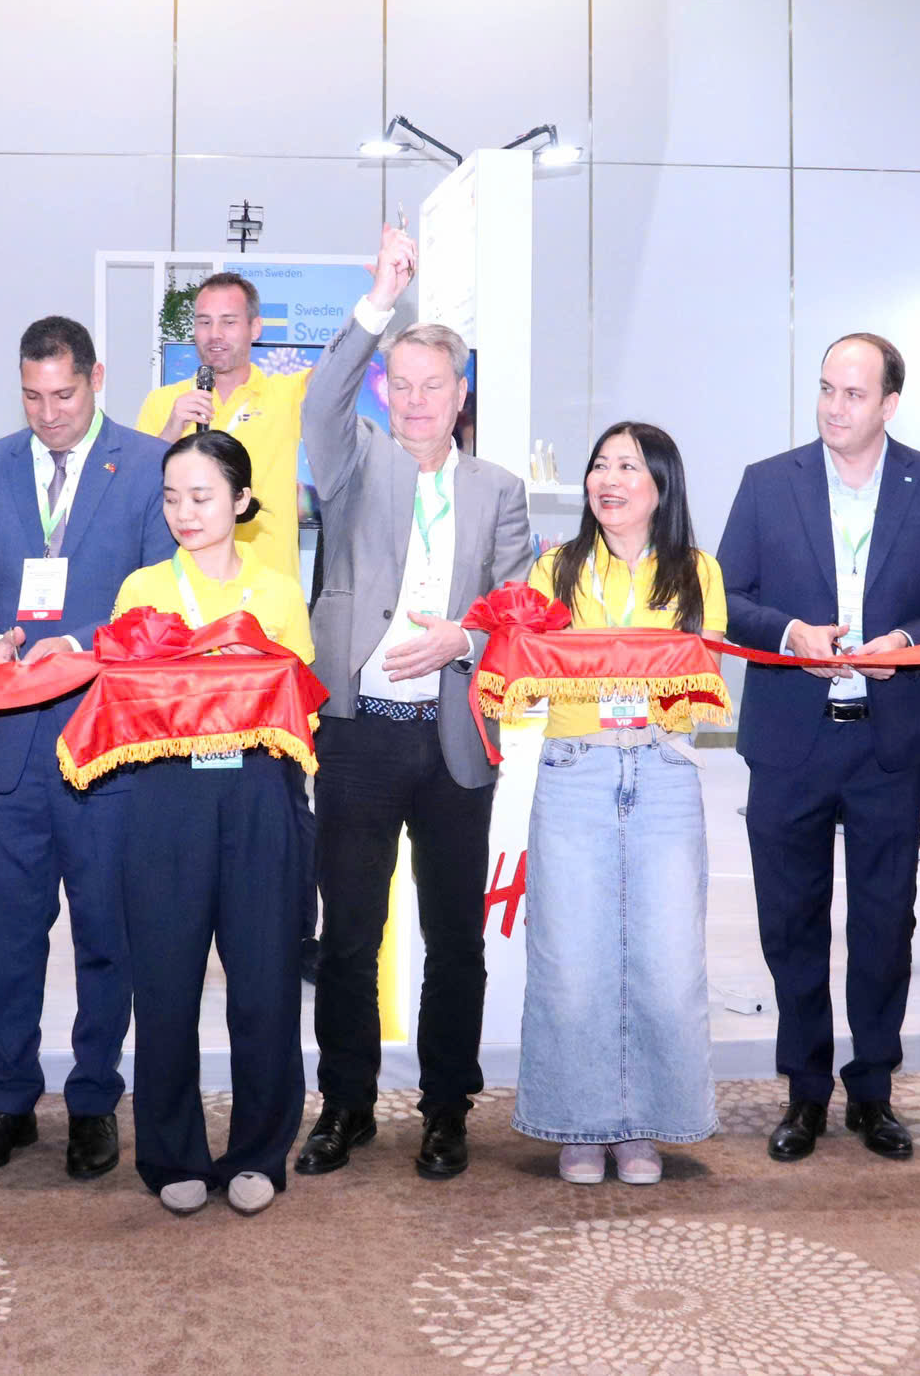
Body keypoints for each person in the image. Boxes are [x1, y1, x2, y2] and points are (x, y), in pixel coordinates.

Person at [296, 224, 533, 1183]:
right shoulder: (354, 463)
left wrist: (462, 643)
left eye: (436, 385)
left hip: (452, 742)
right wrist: (380, 300)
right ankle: (346, 1106)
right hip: (359, 736)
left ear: (461, 394)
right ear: (385, 391)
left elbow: (518, 612)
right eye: (403, 384)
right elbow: (320, 398)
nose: (419, 401)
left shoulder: (499, 491)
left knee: (455, 942)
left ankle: (445, 1110)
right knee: (349, 936)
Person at [719, 331, 920, 1162]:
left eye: (854, 394)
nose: (835, 407)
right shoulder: (769, 483)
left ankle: (873, 1088)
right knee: (790, 922)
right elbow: (724, 597)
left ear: (890, 404)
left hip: (888, 743)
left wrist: (905, 640)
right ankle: (804, 1089)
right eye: (827, 389)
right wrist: (790, 632)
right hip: (790, 740)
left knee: (882, 923)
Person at [0, 316, 173, 1181]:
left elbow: (158, 604)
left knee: (106, 935)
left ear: (96, 378)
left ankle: (93, 1099)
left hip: (104, 744)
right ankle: (8, 1101)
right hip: (3, 750)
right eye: (33, 396)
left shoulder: (148, 467)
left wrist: (79, 644)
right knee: (7, 939)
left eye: (64, 394)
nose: (49, 413)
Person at [108, 431, 315, 1215]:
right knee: (165, 984)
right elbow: (124, 703)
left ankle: (260, 1152)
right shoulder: (141, 590)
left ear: (242, 499)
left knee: (264, 984)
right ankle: (172, 1154)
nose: (184, 513)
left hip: (260, 794)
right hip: (166, 797)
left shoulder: (277, 592)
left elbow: (300, 704)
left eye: (201, 497)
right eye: (171, 498)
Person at [516, 423, 726, 1186]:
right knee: (572, 961)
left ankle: (642, 1127)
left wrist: (616, 670)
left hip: (663, 770)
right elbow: (532, 674)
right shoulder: (555, 568)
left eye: (627, 467)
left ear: (661, 485)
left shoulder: (697, 572)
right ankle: (579, 1124)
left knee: (666, 962)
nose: (608, 479)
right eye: (599, 465)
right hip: (575, 769)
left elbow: (699, 689)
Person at [136, 271, 309, 586]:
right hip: (184, 588)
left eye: (228, 322)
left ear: (255, 327)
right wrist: (171, 432)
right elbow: (138, 498)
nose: (214, 334)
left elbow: (344, 366)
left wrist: (379, 300)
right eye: (204, 322)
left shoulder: (288, 394)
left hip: (267, 590)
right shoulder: (162, 402)